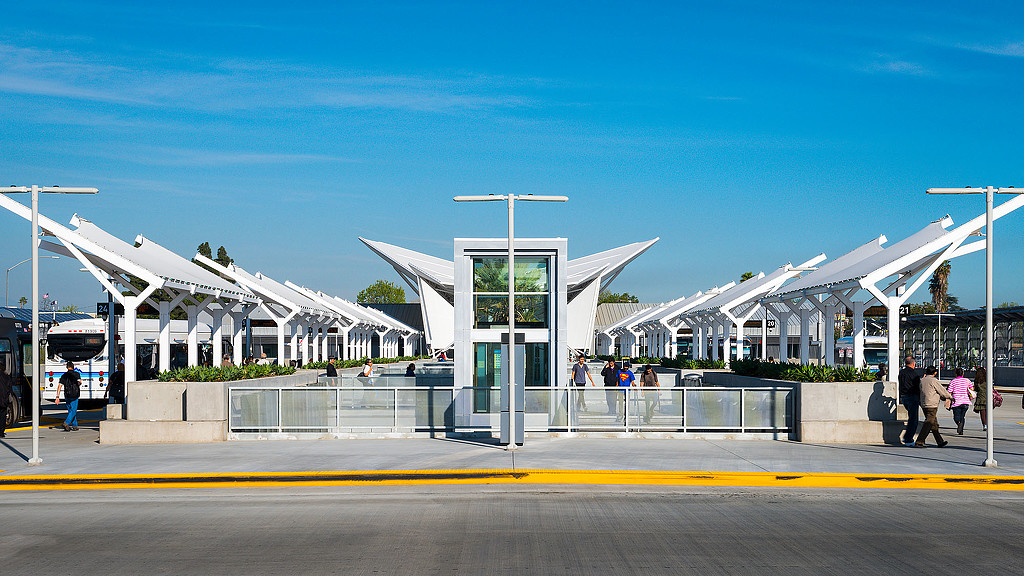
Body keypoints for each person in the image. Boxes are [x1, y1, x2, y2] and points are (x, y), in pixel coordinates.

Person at [915, 366, 951, 448]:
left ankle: (940, 441)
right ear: (935, 373)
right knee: (928, 423)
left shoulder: (922, 380)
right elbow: (942, 391)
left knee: (934, 424)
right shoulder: (934, 381)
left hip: (924, 404)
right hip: (932, 405)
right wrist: (950, 397)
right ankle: (919, 441)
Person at [898, 356, 922, 447]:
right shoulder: (914, 374)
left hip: (904, 397)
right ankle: (908, 438)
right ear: (913, 363)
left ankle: (907, 437)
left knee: (911, 418)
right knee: (913, 419)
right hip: (912, 397)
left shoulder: (901, 373)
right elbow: (917, 387)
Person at [53, 361, 82, 432]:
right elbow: (80, 383)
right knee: (73, 411)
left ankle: (75, 426)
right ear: (73, 367)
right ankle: (66, 422)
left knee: (71, 411)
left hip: (67, 395)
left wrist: (57, 397)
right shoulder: (77, 374)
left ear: (67, 367)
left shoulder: (64, 375)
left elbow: (59, 386)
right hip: (75, 394)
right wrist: (77, 383)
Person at [946, 367, 974, 435]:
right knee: (962, 416)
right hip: (965, 401)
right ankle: (961, 429)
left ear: (956, 374)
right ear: (963, 374)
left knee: (956, 417)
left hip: (956, 402)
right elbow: (972, 388)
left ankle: (959, 424)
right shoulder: (967, 380)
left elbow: (949, 391)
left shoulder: (953, 381)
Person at [973, 366, 990, 432]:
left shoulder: (977, 381)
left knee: (982, 412)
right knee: (987, 411)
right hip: (988, 396)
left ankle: (984, 425)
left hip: (980, 397)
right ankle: (988, 424)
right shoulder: (987, 379)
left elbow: (976, 389)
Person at [0, 360, 13, 438]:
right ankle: (1, 432)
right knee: (2, 416)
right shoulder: (6, 377)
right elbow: (9, 389)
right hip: (4, 400)